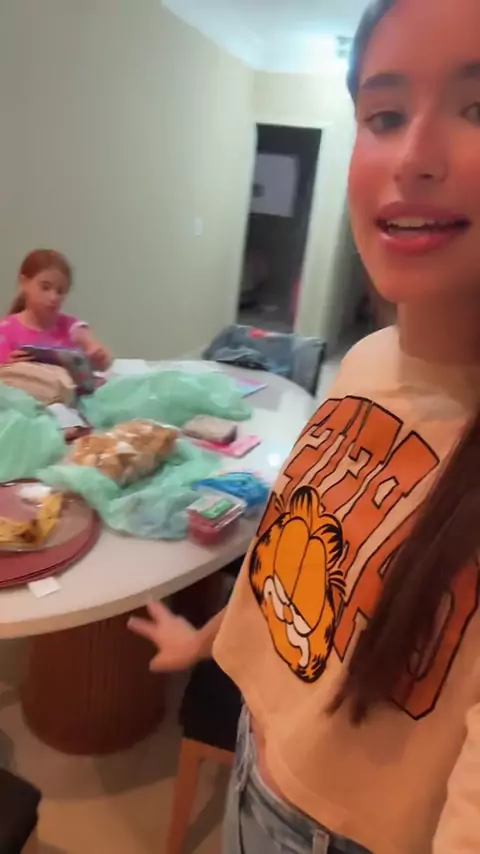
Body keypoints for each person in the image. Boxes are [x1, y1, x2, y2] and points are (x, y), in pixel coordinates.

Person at [129, 0, 480, 851]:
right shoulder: (363, 365)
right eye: (384, 115)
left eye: (477, 108)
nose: (412, 156)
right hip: (251, 760)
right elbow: (293, 568)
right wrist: (205, 637)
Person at [0, 249, 111, 370]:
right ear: (24, 283)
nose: (54, 297)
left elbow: (101, 359)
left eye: (60, 291)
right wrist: (7, 366)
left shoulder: (72, 328)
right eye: (45, 287)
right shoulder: (5, 330)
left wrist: (98, 356)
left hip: (65, 382)